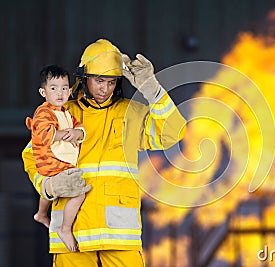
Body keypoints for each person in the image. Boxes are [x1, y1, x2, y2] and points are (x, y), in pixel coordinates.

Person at [22, 39, 186, 266]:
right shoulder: (60, 112)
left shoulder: (132, 112)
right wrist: (47, 186)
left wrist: (153, 90)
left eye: (111, 82)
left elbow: (173, 133)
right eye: (99, 81)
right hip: (72, 231)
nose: (105, 88)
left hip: (118, 233)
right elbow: (31, 154)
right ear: (84, 78)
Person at [26, 65, 87, 252]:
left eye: (64, 88)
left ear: (69, 90)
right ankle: (65, 229)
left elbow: (79, 126)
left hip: (56, 163)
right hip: (53, 161)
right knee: (79, 193)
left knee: (50, 189)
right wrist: (62, 135)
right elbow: (44, 134)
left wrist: (77, 132)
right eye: (53, 88)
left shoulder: (66, 112)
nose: (59, 93)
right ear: (43, 92)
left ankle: (41, 213)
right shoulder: (44, 112)